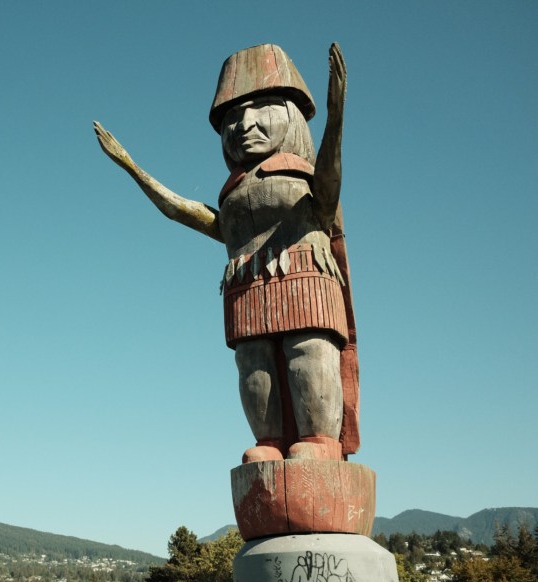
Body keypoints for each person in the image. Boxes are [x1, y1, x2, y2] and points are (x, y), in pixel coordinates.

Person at [94, 43, 359, 463]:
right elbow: (184, 211)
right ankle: (269, 440)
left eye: (260, 108)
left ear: (291, 115)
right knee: (253, 363)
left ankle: (320, 438)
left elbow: (329, 185)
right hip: (246, 282)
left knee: (307, 351)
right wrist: (131, 167)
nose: (244, 124)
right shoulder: (233, 193)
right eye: (233, 117)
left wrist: (336, 113)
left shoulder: (306, 176)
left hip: (306, 274)